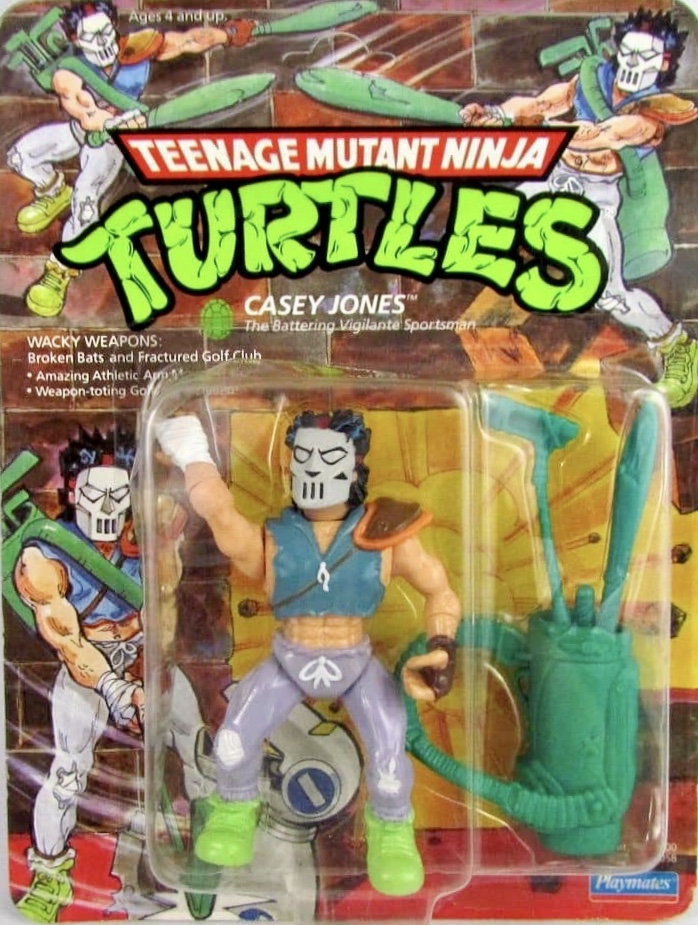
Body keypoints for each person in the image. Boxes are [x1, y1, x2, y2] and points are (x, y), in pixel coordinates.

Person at [155, 409, 461, 897]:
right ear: (290, 464)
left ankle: (392, 832)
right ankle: (234, 810)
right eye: (305, 458)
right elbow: (221, 516)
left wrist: (442, 646)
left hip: (355, 661)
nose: (316, 469)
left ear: (355, 466)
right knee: (232, 741)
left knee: (388, 756)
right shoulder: (275, 540)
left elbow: (439, 591)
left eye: (329, 458)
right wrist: (193, 452)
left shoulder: (385, 534)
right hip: (289, 658)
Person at [13, 427, 210, 923]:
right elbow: (67, 640)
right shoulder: (43, 554)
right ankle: (50, 875)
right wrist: (117, 690)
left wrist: (148, 672)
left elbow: (162, 607)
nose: (108, 506)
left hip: (147, 654)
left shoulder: (150, 532)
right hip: (88, 668)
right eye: (96, 493)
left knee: (198, 746)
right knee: (67, 771)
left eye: (119, 495)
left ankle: (209, 851)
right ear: (73, 490)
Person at [461, 9, 698, 409]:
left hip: (594, 198)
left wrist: (529, 129)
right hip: (552, 180)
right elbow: (544, 101)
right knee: (486, 222)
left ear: (664, 63)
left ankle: (677, 347)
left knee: (610, 295)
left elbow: (598, 137)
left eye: (646, 57)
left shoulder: (654, 111)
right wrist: (497, 114)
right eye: (628, 52)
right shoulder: (594, 78)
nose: (633, 63)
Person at [7, 0, 254, 317]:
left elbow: (189, 41)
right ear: (76, 40)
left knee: (86, 201)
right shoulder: (67, 73)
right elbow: (85, 113)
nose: (102, 43)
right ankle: (54, 190)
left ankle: (59, 272)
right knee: (21, 156)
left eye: (105, 32)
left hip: (110, 145)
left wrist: (227, 34)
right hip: (87, 129)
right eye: (91, 37)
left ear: (114, 27)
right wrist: (115, 121)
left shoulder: (138, 48)